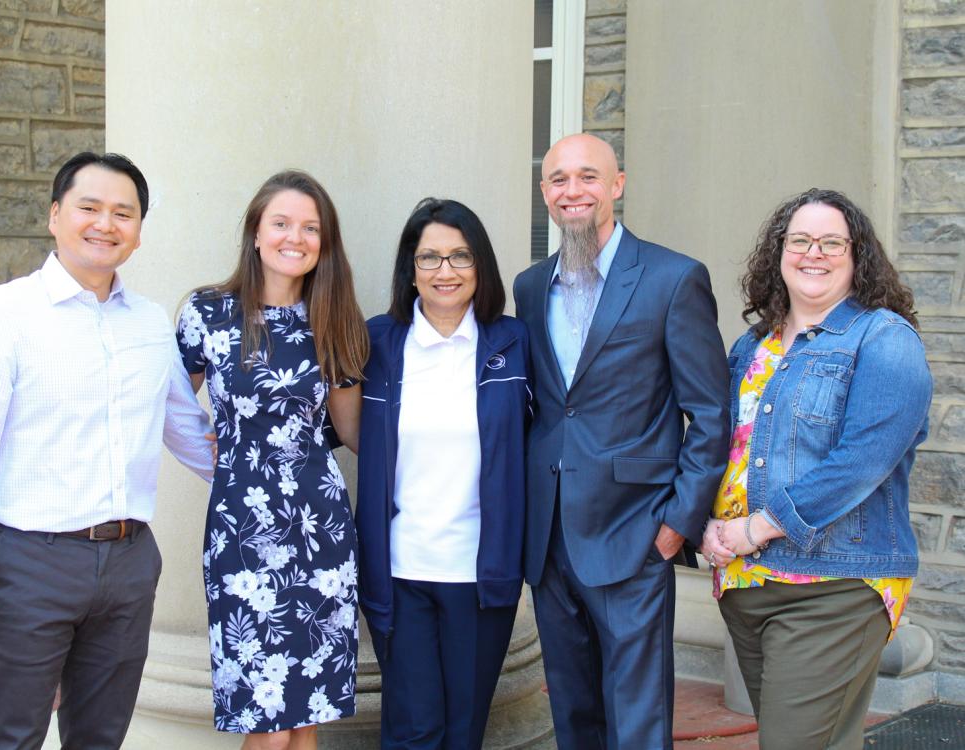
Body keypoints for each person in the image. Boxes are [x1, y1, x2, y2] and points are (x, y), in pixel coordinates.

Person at [0, 151, 215, 749]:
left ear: (136, 232)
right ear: (55, 216)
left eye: (123, 213)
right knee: (9, 735)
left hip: (129, 562)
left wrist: (279, 485)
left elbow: (186, 429)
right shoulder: (4, 315)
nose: (106, 223)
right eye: (90, 207)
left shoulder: (151, 323)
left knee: (100, 737)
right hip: (28, 562)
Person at [513, 133, 730, 749]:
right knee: (573, 712)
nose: (572, 190)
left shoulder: (673, 277)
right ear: (545, 194)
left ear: (617, 185)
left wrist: (676, 524)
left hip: (635, 533)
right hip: (550, 536)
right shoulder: (529, 287)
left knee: (637, 720)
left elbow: (710, 413)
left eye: (588, 176)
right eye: (558, 179)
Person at [699, 188, 932, 750]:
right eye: (800, 240)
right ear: (779, 252)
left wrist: (754, 529)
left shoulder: (883, 339)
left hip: (834, 585)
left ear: (858, 257)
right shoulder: (751, 346)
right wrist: (702, 523)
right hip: (746, 583)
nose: (814, 253)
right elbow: (720, 448)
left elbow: (860, 463)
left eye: (833, 242)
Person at [177, 170, 367, 750]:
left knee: (303, 715)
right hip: (242, 530)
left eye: (311, 228)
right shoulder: (207, 314)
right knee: (267, 722)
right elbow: (171, 411)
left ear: (325, 243)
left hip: (320, 529)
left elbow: (353, 431)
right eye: (281, 223)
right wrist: (221, 460)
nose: (296, 237)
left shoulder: (334, 320)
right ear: (255, 233)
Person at [355, 198, 530, 750]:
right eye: (429, 258)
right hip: (401, 571)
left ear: (481, 266)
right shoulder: (378, 342)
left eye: (460, 256)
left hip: (482, 573)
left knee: (463, 731)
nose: (445, 271)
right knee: (414, 729)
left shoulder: (514, 343)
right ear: (410, 269)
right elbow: (324, 420)